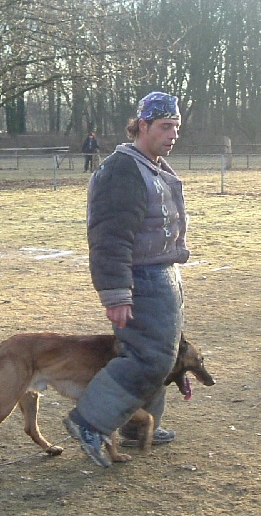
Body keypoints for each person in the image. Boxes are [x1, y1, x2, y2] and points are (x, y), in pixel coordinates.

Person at [63, 91, 190, 467]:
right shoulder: (123, 170)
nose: (173, 135)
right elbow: (109, 237)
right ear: (143, 125)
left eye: (177, 128)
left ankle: (139, 427)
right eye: (166, 126)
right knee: (149, 357)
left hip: (161, 274)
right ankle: (89, 422)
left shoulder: (151, 165)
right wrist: (117, 293)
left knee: (162, 356)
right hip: (142, 278)